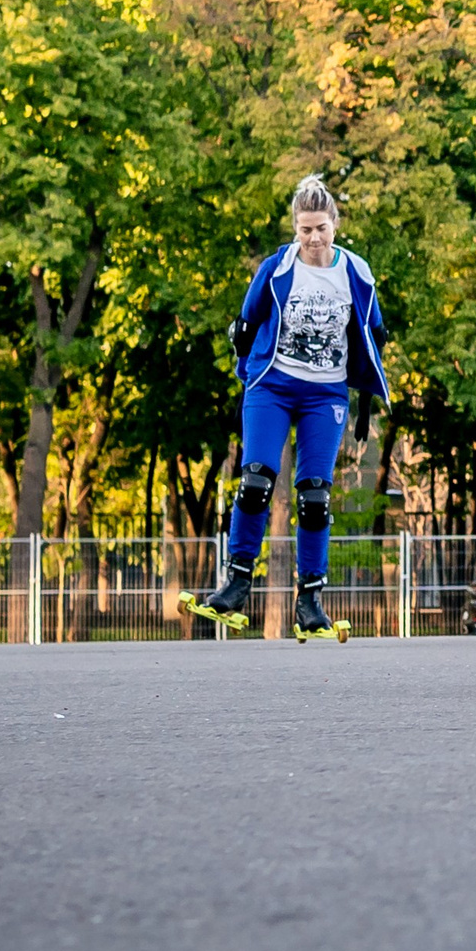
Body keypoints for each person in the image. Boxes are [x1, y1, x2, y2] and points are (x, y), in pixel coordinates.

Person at [185, 175, 389, 638]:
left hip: (325, 393)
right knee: (256, 479)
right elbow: (246, 323)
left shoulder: (356, 272)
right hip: (272, 386)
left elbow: (373, 334)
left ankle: (310, 601)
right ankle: (237, 583)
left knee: (315, 494)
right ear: (294, 230)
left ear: (335, 224)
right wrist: (245, 373)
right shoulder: (278, 268)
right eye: (304, 230)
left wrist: (363, 402)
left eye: (321, 228)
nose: (314, 239)